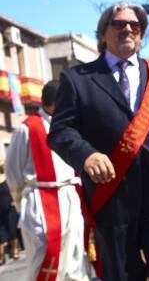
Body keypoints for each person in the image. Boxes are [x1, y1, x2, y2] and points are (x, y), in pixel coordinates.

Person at [48, 1, 149, 280]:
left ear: (141, 35)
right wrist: (86, 155)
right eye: (119, 24)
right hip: (111, 193)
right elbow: (60, 131)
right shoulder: (77, 79)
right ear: (103, 33)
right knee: (122, 274)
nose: (128, 29)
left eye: (135, 26)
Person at [6, 80, 90, 280]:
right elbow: (13, 172)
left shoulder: (72, 125)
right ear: (55, 103)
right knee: (45, 257)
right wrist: (22, 205)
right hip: (41, 201)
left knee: (76, 255)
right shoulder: (28, 128)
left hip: (70, 195)